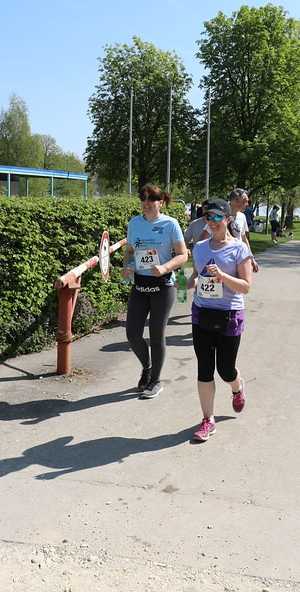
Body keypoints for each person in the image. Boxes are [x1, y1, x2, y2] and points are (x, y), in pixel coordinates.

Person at [185, 199, 252, 442]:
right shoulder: (200, 247)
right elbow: (194, 276)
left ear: (228, 219)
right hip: (202, 312)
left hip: (229, 314)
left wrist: (222, 276)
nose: (211, 222)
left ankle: (237, 386)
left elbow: (245, 287)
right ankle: (208, 420)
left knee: (225, 369)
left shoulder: (238, 249)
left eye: (216, 217)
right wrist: (186, 284)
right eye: (207, 217)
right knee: (204, 368)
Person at [121, 183, 188, 399]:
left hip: (163, 286)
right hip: (140, 284)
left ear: (161, 202)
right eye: (143, 197)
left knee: (156, 334)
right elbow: (130, 251)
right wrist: (126, 267)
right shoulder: (135, 223)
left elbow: (183, 255)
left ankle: (155, 381)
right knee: (132, 333)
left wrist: (165, 267)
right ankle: (147, 367)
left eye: (151, 198)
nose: (146, 202)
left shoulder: (170, 224)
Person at [228, 188, 260, 273]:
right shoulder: (219, 216)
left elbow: (244, 238)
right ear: (237, 201)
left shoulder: (242, 217)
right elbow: (205, 236)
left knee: (241, 284)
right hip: (222, 259)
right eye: (245, 201)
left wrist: (251, 258)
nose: (247, 204)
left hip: (238, 258)